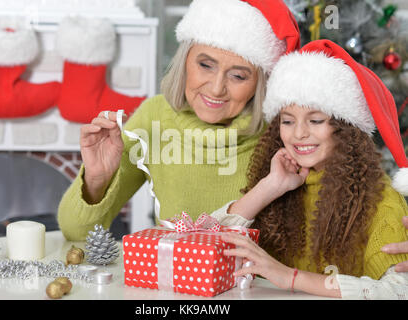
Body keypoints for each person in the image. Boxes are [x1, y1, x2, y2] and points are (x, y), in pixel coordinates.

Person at [57, 0, 300, 240]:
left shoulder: (284, 130)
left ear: (260, 83)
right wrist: (96, 180)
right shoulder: (155, 116)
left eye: (238, 76)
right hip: (171, 276)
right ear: (185, 60)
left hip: (256, 281)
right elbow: (75, 232)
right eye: (205, 65)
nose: (216, 89)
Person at [211, 39, 408, 299]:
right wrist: (269, 187)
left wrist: (288, 277)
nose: (299, 134)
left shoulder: (381, 201)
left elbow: (397, 291)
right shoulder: (281, 185)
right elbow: (204, 244)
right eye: (288, 121)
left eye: (315, 120)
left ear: (346, 129)